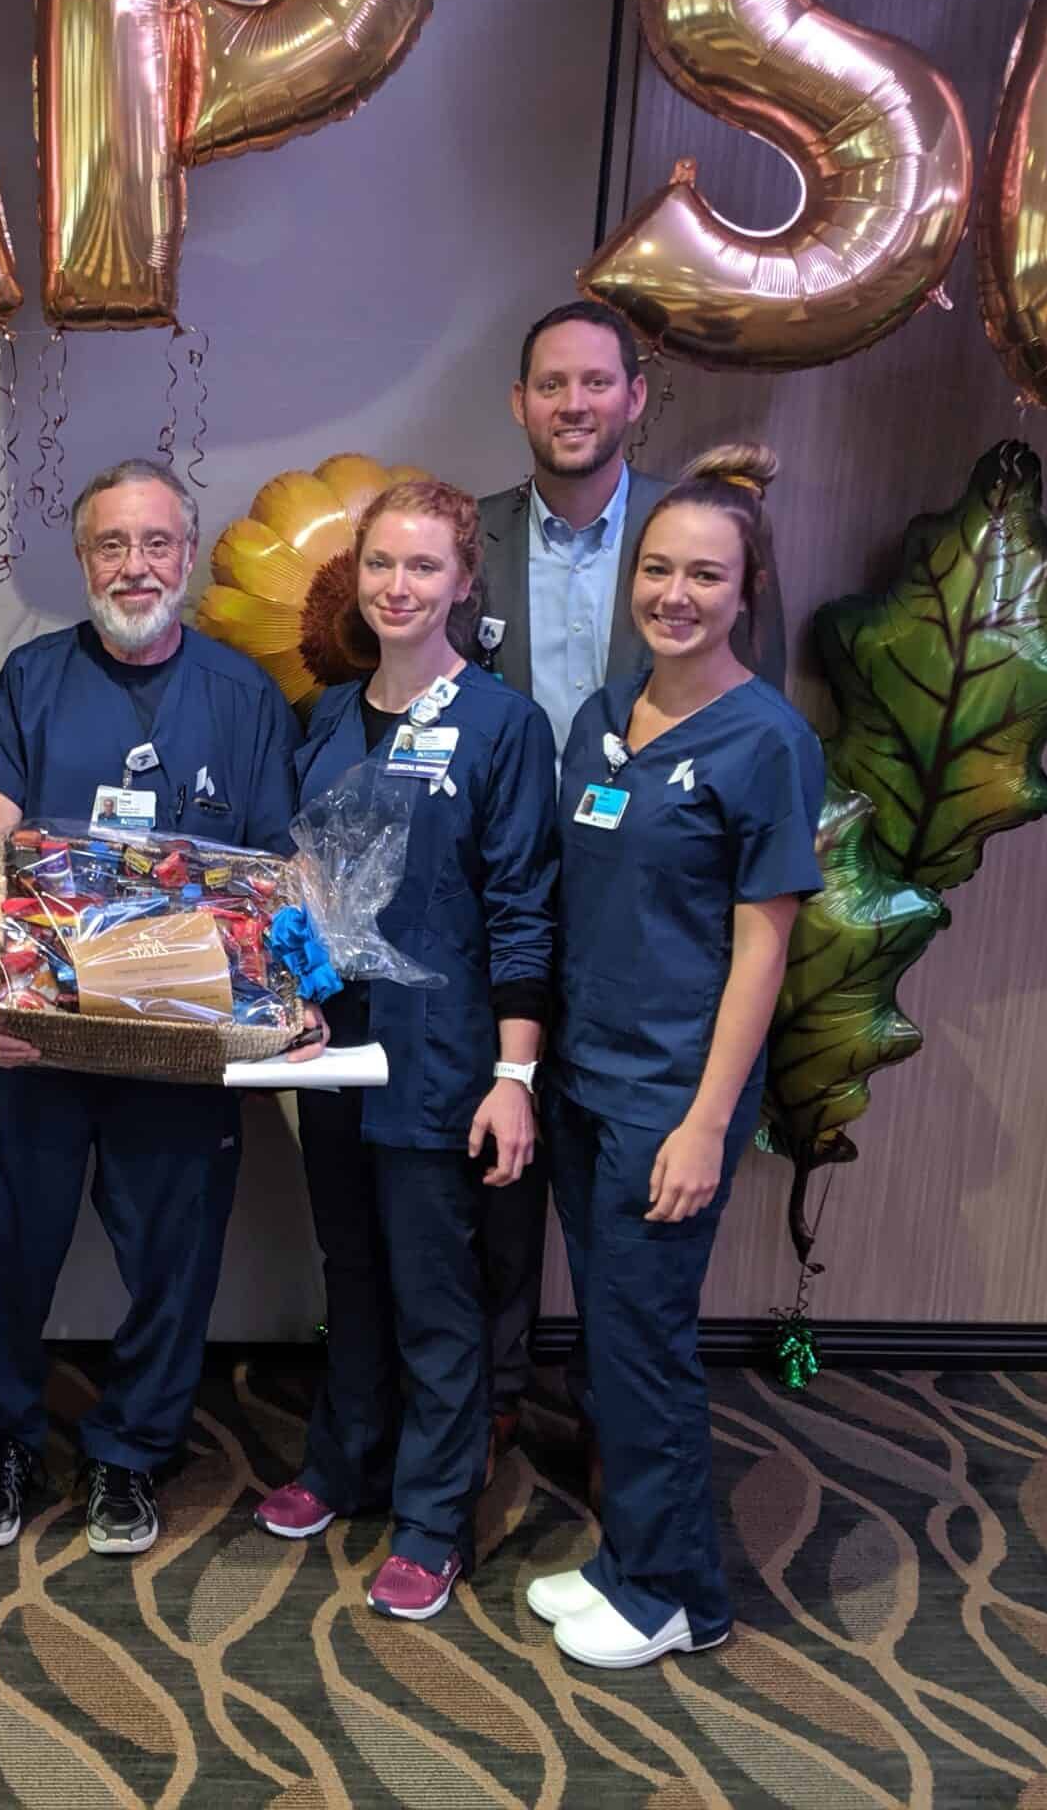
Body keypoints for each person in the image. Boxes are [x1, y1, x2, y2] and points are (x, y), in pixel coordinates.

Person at [0, 458, 303, 1557]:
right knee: (2, 1244)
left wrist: (296, 992)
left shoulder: (243, 695)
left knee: (174, 1253)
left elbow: (283, 867)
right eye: (112, 544)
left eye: (156, 543)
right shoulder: (34, 678)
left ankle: (129, 1453)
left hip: (179, 1049)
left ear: (186, 558)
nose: (135, 565)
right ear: (82, 558)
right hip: (37, 1036)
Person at [467, 298, 789, 1475]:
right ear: (519, 403)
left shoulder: (696, 540)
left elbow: (761, 718)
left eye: (595, 383)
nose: (572, 404)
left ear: (634, 398)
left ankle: (620, 1426)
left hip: (649, 899)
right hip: (504, 902)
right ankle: (495, 1396)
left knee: (628, 1197)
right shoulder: (475, 537)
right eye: (550, 384)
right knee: (503, 1168)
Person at [525, 444, 824, 1670]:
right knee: (609, 1337)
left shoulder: (766, 742)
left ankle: (668, 1591)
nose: (675, 595)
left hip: (668, 1097)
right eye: (656, 569)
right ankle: (650, 1570)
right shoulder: (604, 716)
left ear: (746, 589)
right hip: (585, 1078)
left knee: (643, 1345)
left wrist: (709, 1122)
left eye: (705, 575)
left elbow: (764, 951)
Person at [252, 480, 558, 1624]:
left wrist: (514, 1075)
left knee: (437, 1293)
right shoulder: (325, 718)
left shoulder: (502, 727)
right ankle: (345, 1463)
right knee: (353, 1272)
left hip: (442, 1057)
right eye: (382, 564)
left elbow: (525, 910)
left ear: (464, 581)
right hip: (333, 1048)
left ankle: (433, 1517)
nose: (398, 587)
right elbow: (299, 888)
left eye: (424, 567)